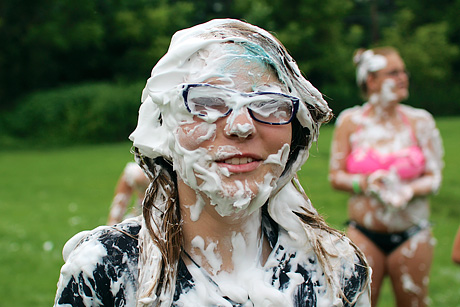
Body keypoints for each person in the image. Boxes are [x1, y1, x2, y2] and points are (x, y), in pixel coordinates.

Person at [54, 19, 371, 306]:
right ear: (166, 125)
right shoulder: (105, 270)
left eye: (268, 103)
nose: (242, 126)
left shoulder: (338, 270)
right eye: (207, 102)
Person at [329, 47, 444, 307]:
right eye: (394, 72)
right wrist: (364, 183)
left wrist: (409, 191)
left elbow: (434, 177)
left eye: (404, 71)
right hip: (363, 233)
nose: (403, 77)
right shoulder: (350, 122)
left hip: (412, 233)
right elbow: (335, 176)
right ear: (372, 81)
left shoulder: (420, 121)